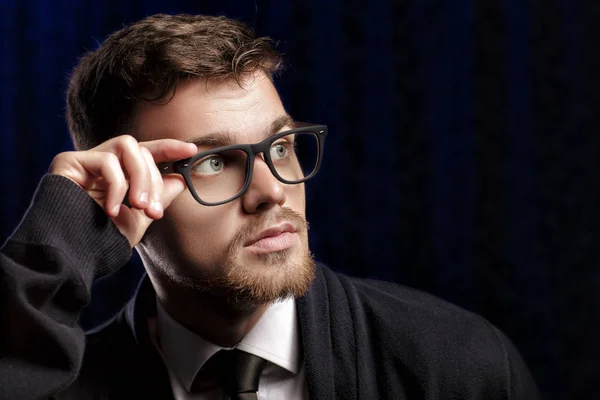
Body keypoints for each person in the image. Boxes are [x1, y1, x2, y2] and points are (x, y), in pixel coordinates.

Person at [0, 13, 540, 400]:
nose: (273, 191)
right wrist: (59, 243)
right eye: (215, 162)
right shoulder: (60, 385)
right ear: (126, 190)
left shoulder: (456, 364)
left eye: (279, 147)